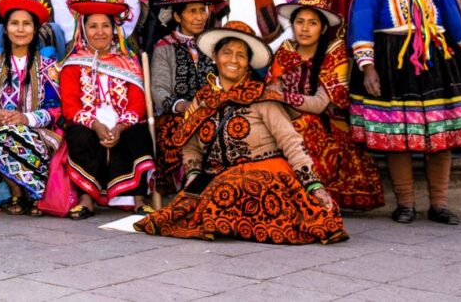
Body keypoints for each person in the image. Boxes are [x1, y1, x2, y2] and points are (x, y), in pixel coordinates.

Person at [138, 21, 348, 245]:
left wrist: (314, 186)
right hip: (217, 176)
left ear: (248, 63)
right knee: (174, 214)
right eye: (227, 53)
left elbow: (291, 141)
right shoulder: (203, 99)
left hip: (266, 172)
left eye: (241, 55)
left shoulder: (262, 97)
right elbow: (191, 146)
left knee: (228, 188)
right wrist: (193, 176)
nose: (233, 60)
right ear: (215, 58)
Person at [348, 0, 461, 225]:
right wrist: (367, 67)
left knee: (441, 134)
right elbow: (362, 20)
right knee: (398, 135)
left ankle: (440, 204)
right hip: (392, 60)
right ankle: (405, 202)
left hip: (437, 58)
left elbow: (450, 14)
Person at [266, 0, 385, 211]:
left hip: (327, 126)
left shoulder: (334, 52)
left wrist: (283, 97)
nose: (304, 28)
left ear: (322, 29)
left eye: (312, 23)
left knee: (303, 126)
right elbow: (271, 89)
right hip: (288, 118)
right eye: (300, 22)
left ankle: (309, 193)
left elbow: (321, 104)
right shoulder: (286, 50)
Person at [0, 0, 61, 215]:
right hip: (0, 126)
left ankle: (35, 193)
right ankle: (17, 190)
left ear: (35, 30)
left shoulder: (48, 67)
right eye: (15, 23)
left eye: (27, 24)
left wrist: (26, 119)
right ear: (5, 30)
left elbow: (55, 108)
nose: (20, 29)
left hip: (38, 130)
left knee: (18, 136)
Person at [60, 1, 156, 218]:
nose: (100, 32)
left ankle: (139, 198)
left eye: (105, 26)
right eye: (93, 26)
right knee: (79, 134)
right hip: (90, 123)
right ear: (84, 30)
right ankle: (87, 198)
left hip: (122, 123)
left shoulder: (129, 62)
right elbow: (70, 105)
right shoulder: (73, 63)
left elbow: (138, 103)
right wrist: (95, 124)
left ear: (114, 30)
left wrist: (120, 127)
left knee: (137, 133)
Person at [150, 0, 221, 195]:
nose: (200, 17)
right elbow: (158, 90)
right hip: (177, 115)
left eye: (202, 10)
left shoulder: (214, 44)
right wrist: (184, 106)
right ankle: (190, 180)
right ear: (178, 16)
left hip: (212, 110)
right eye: (192, 12)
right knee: (181, 128)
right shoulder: (164, 47)